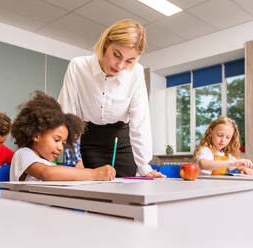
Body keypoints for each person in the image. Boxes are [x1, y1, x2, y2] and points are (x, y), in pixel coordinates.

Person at [58, 19, 164, 178]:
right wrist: (75, 158)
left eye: (129, 61)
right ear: (106, 42)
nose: (120, 66)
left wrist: (143, 166)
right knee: (95, 195)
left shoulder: (136, 73)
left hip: (122, 142)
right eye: (116, 55)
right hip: (91, 139)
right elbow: (66, 113)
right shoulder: (78, 66)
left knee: (126, 195)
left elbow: (140, 121)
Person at [10, 91, 116, 181]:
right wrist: (95, 174)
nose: (60, 147)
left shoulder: (49, 163)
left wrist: (78, 171)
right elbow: (46, 173)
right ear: (36, 135)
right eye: (56, 140)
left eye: (63, 143)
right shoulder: (23, 154)